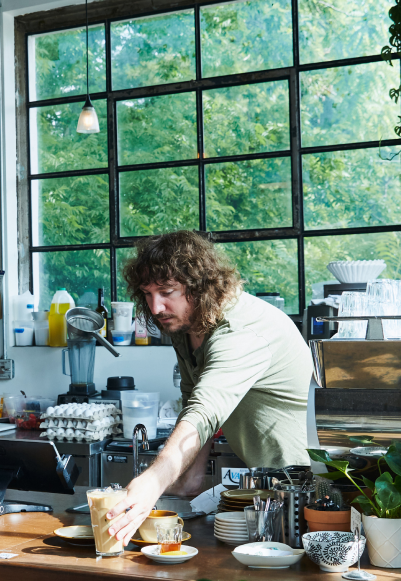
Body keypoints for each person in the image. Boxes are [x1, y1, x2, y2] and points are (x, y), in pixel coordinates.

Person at [107, 230, 314, 546]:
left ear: (199, 286)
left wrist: (152, 481)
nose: (156, 307)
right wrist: (189, 479)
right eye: (147, 294)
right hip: (265, 482)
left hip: (300, 487)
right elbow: (193, 399)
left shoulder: (239, 332)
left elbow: (204, 411)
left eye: (166, 292)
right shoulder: (186, 325)